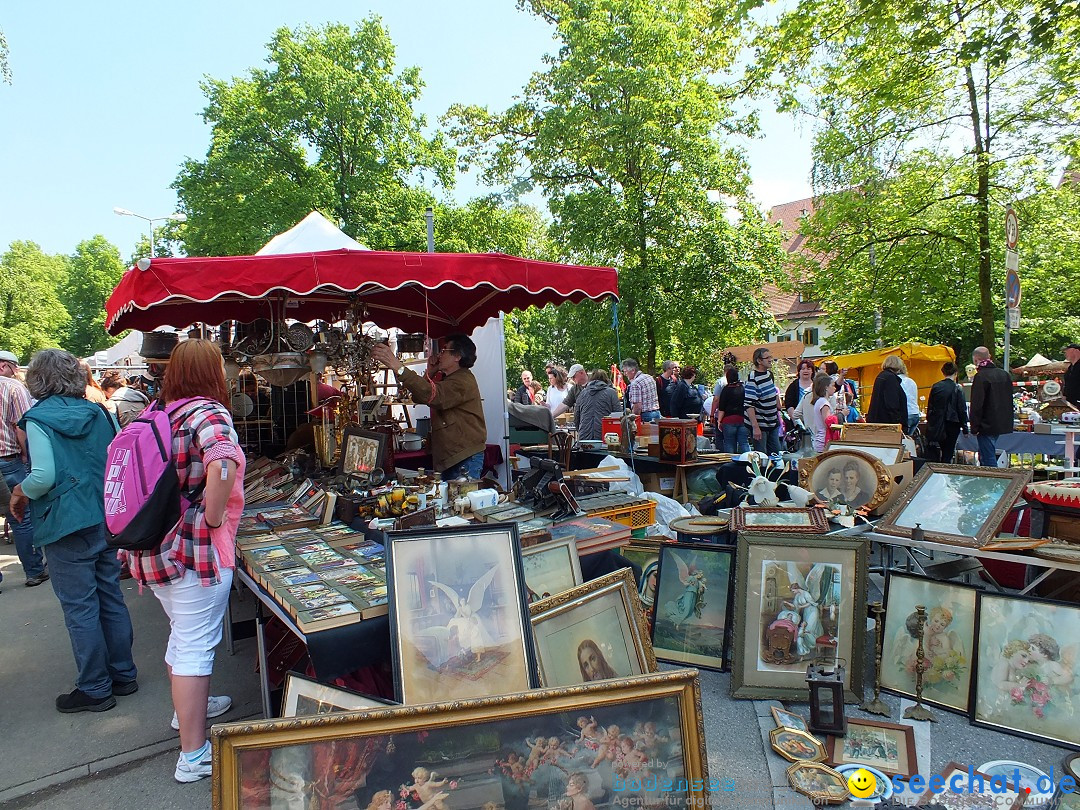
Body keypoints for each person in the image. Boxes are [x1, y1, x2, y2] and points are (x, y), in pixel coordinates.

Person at [123, 339, 244, 783]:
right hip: (195, 550)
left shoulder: (158, 413)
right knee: (196, 645)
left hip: (152, 548)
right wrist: (214, 517)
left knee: (183, 634)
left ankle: (187, 708)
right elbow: (223, 461)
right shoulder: (208, 412)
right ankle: (192, 756)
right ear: (212, 372)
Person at [9, 349, 136, 713]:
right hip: (104, 516)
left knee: (80, 606)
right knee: (109, 594)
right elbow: (117, 459)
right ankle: (123, 674)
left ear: (37, 379)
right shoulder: (98, 411)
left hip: (66, 523)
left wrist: (20, 491)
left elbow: (43, 476)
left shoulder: (37, 418)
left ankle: (95, 687)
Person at [372, 335, 487, 479]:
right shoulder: (452, 379)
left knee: (462, 500)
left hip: (464, 458)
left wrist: (398, 367)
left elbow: (433, 395)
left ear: (457, 356)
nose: (439, 354)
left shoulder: (463, 381)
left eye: (444, 350)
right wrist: (430, 373)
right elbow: (419, 396)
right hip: (453, 457)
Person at [0, 349, 47, 586]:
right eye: (15, 367)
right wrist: (29, 457)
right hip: (7, 460)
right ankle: (34, 570)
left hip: (7, 460)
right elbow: (21, 427)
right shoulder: (12, 387)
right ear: (4, 366)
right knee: (20, 516)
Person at [969, 346, 1014, 468]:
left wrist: (974, 426)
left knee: (988, 458)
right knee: (986, 456)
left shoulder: (981, 377)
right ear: (989, 357)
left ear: (975, 360)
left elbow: (977, 404)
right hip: (1002, 422)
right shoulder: (1005, 375)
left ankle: (993, 483)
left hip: (986, 424)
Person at [924, 361, 969, 463]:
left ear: (943, 372)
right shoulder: (958, 388)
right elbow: (961, 409)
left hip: (938, 422)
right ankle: (946, 469)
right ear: (956, 373)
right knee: (949, 451)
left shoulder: (936, 386)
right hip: (953, 423)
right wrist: (965, 428)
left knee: (940, 448)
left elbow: (930, 405)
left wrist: (930, 422)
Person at [743, 347, 782, 455]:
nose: (770, 360)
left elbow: (773, 393)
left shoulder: (769, 374)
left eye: (771, 357)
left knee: (775, 454)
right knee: (762, 456)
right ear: (759, 361)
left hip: (772, 423)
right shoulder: (753, 379)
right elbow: (749, 405)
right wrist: (755, 427)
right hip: (760, 425)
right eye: (767, 357)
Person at [574, 370, 622, 441]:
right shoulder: (611, 393)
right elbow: (618, 415)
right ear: (606, 379)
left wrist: (581, 430)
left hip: (584, 438)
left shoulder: (582, 393)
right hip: (606, 436)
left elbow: (576, 417)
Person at [712, 366, 748, 453]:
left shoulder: (726, 390)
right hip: (742, 419)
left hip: (728, 420)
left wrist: (719, 421)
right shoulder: (743, 388)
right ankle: (748, 461)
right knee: (744, 443)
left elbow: (722, 408)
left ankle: (730, 463)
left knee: (729, 443)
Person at [866, 355, 908, 428]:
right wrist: (898, 421)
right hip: (888, 423)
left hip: (878, 421)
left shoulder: (881, 376)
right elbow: (892, 402)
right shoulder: (890, 378)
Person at [620, 358, 661, 423]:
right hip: (657, 413)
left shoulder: (635, 383)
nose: (625, 374)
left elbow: (637, 407)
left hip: (645, 416)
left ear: (633, 370)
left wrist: (633, 421)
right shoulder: (649, 377)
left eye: (625, 371)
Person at [807, 373, 836, 453]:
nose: (834, 388)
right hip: (824, 441)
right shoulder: (824, 403)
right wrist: (840, 416)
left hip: (820, 439)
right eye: (832, 385)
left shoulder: (820, 401)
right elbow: (828, 422)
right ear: (826, 387)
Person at [899, 370, 921, 435]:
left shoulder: (898, 382)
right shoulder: (912, 381)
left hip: (907, 413)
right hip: (915, 413)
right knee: (909, 438)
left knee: (904, 440)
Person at [1064, 342, 1080, 413]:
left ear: (1076, 351)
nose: (1065, 353)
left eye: (1067, 350)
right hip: (1070, 404)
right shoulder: (1070, 368)